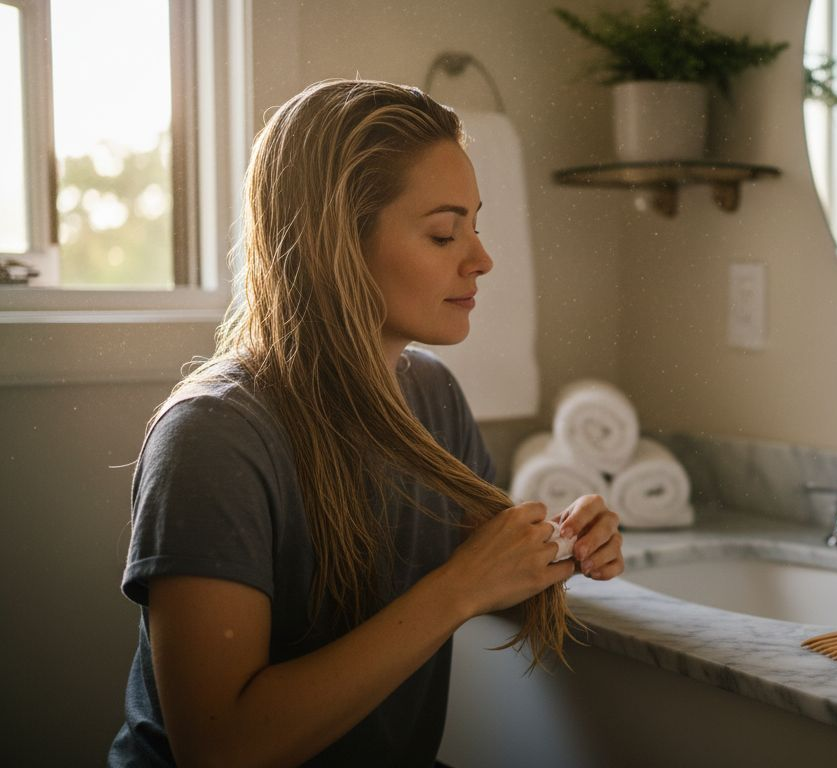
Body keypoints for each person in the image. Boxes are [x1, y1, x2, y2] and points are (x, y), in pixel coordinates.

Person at [108, 79, 625, 767]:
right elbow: (220, 747)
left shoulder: (433, 397)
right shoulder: (213, 437)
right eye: (445, 231)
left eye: (474, 224)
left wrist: (565, 544)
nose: (481, 259)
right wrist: (460, 588)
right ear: (338, 245)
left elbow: (485, 562)